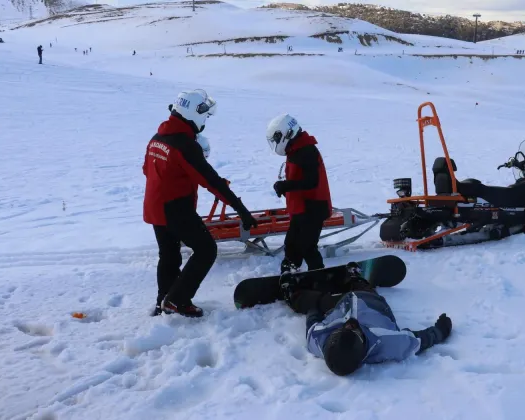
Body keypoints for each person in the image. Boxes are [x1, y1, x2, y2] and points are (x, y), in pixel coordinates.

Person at [143, 89, 258, 317]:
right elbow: (211, 181)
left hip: (155, 206)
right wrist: (241, 209)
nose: (205, 119)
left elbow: (147, 170)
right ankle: (178, 300)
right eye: (204, 114)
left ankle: (164, 300)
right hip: (175, 208)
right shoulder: (184, 144)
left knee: (169, 255)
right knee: (206, 250)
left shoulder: (157, 139)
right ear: (192, 112)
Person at [280, 265, 452, 376]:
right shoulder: (389, 343)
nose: (351, 323)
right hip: (371, 303)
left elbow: (312, 320)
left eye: (342, 329)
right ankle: (354, 278)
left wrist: (313, 306)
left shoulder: (317, 340)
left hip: (341, 304)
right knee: (363, 288)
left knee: (311, 301)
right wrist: (439, 331)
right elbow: (419, 340)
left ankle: (291, 290)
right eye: (355, 331)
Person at [266, 114, 332, 274]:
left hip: (313, 207)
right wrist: (285, 187)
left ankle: (319, 276)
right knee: (292, 245)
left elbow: (311, 181)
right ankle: (290, 273)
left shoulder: (306, 150)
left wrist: (285, 185)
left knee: (307, 246)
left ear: (284, 134)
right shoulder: (297, 149)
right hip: (301, 208)